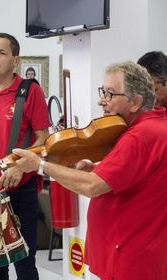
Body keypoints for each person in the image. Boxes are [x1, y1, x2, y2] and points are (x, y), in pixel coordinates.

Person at [12, 61, 167, 280]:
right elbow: (140, 175)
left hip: (127, 257)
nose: (101, 100)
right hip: (145, 252)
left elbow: (93, 186)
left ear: (136, 102)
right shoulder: (158, 123)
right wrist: (98, 168)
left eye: (110, 94)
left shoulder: (138, 137)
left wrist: (40, 165)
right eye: (102, 92)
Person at [0, 33, 50, 280]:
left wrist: (21, 168)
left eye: (2, 52)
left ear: (16, 60)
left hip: (19, 188)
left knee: (24, 262)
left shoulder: (30, 92)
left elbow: (44, 139)